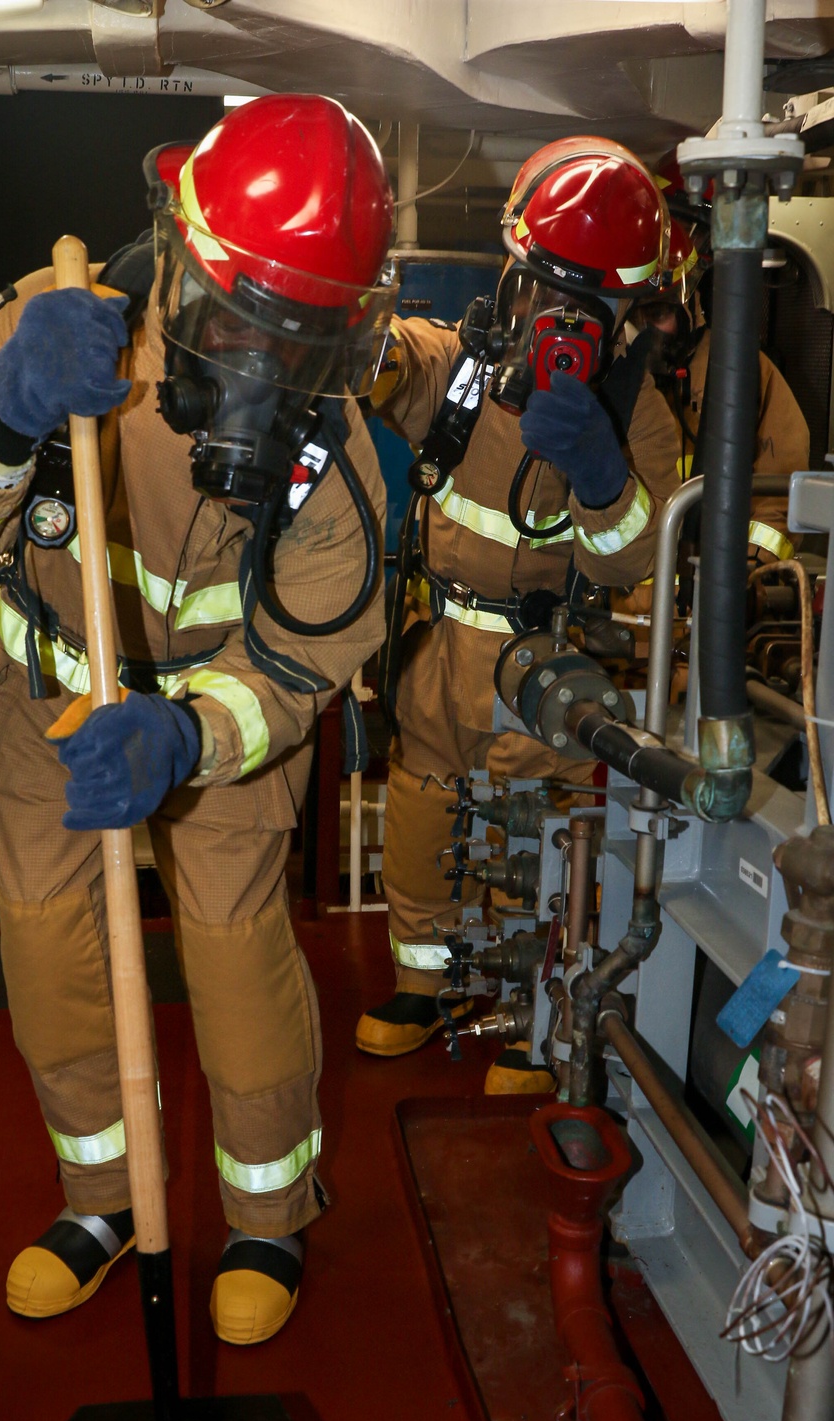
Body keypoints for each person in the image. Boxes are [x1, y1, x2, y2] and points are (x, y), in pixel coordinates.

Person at [0, 94, 397, 1345]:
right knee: (52, 968)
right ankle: (102, 1203)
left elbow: (306, 654)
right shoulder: (53, 328)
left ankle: (268, 1215)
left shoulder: (327, 453)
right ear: (182, 257)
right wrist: (6, 423)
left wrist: (187, 737)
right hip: (38, 715)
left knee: (238, 965)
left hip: (210, 727)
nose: (265, 366)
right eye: (243, 323)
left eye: (303, 341)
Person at [354, 137, 681, 1079]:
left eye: (585, 306)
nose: (554, 320)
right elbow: (382, 361)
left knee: (539, 839)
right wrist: (355, 327)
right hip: (439, 647)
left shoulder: (638, 421)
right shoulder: (458, 369)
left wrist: (602, 473)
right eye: (541, 290)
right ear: (511, 280)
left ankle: (534, 1014)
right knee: (422, 815)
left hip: (545, 669)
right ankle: (423, 984)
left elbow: (634, 561)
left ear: (623, 316)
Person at [647, 148, 809, 561]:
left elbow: (780, 499)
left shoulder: (745, 370)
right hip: (622, 593)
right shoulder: (609, 367)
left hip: (709, 592)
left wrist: (748, 571)